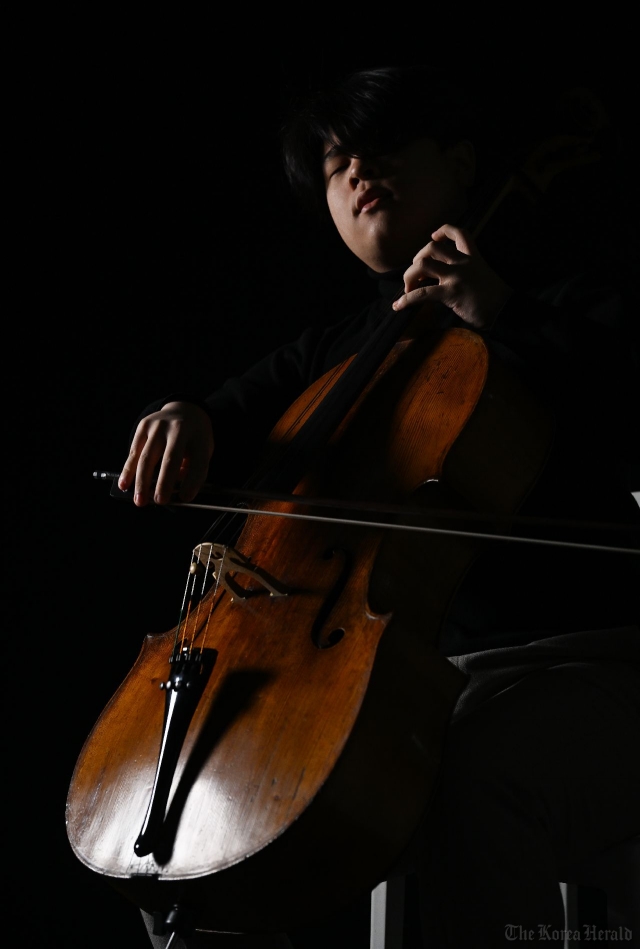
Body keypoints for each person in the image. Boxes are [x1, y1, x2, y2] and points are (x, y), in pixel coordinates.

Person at [116, 67, 640, 947]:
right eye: (335, 163)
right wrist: (189, 417)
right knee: (208, 798)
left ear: (462, 161)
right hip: (424, 682)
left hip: (597, 666)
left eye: (384, 146)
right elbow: (237, 416)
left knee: (467, 773)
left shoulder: (570, 298)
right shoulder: (342, 351)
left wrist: (500, 313)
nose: (358, 169)